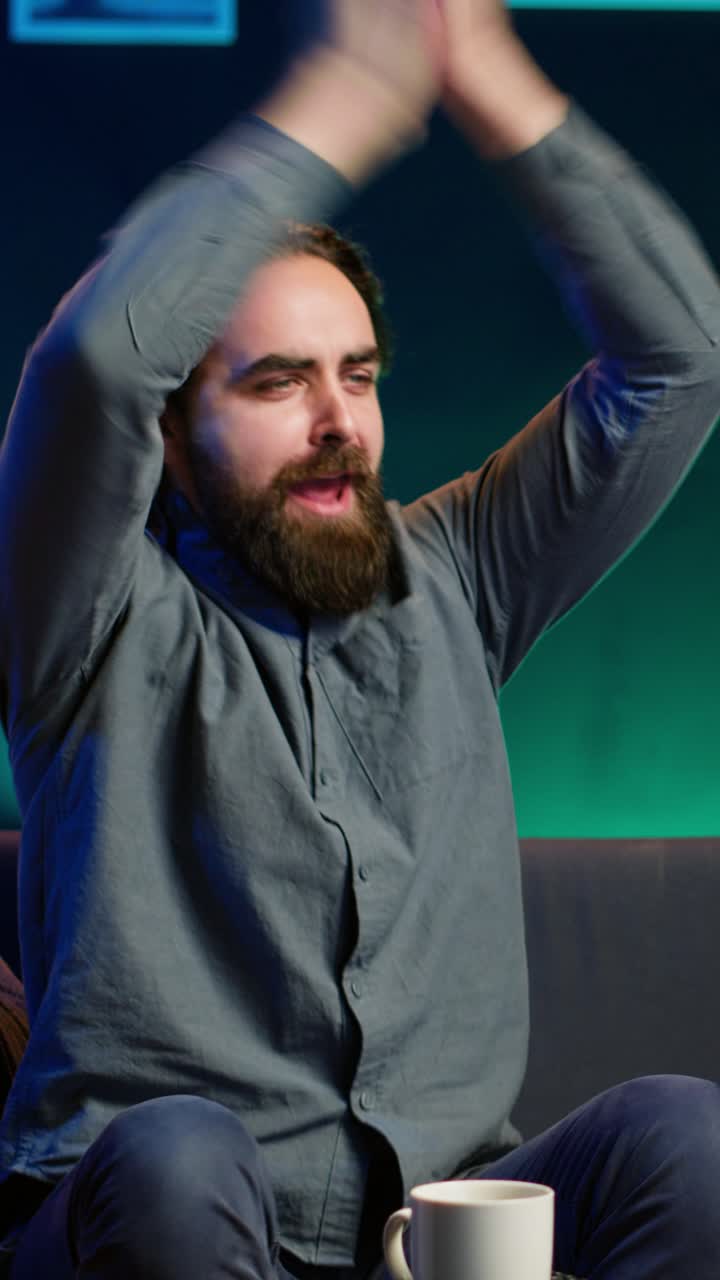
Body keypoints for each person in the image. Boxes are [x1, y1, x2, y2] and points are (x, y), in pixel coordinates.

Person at [1, 0, 719, 1276]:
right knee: (178, 1153)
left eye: (360, 373)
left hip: (431, 1228)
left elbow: (681, 362)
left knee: (683, 1132)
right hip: (159, 1211)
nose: (338, 418)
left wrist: (495, 84)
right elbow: (97, 362)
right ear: (173, 434)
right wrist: (341, 103)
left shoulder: (455, 573)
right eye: (277, 380)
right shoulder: (89, 613)